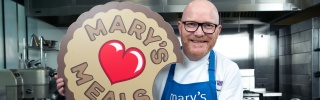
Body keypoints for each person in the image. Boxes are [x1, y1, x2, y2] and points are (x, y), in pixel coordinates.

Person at [55, 0, 243, 99]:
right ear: (180, 27)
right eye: (191, 24)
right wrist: (76, 88)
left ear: (218, 30)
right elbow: (115, 91)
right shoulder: (156, 65)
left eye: (208, 26)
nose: (199, 33)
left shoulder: (228, 71)